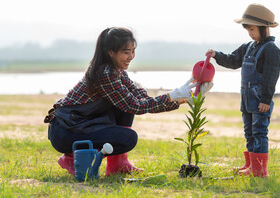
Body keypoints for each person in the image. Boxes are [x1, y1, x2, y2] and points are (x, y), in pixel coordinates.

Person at [44, 27, 213, 176]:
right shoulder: (105, 73)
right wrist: (174, 95)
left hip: (80, 126)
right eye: (126, 52)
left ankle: (117, 165)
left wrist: (184, 98)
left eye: (133, 51)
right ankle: (72, 157)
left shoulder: (118, 72)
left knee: (125, 108)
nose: (131, 56)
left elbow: (142, 98)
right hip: (65, 132)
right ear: (110, 52)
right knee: (127, 138)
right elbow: (136, 106)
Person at [206, 4, 280, 177]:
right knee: (249, 133)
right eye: (248, 29)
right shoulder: (248, 46)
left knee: (259, 132)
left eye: (252, 29)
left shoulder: (271, 50)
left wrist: (265, 100)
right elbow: (233, 61)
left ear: (264, 28)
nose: (250, 33)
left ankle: (259, 169)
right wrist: (216, 55)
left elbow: (271, 77)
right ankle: (250, 165)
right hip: (247, 99)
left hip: (260, 100)